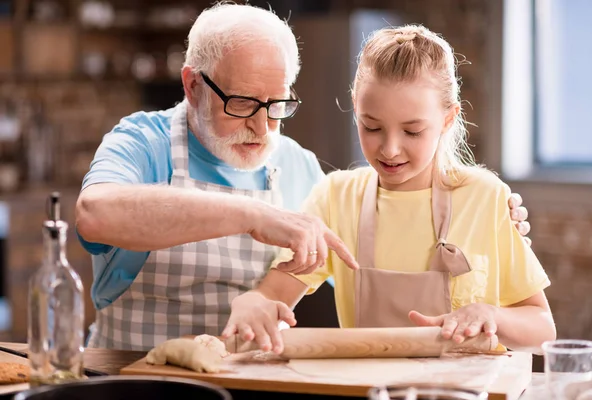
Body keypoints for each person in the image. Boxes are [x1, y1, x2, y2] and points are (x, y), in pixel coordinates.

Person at [75, 3, 533, 351]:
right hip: (130, 371)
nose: (260, 126)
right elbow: (95, 215)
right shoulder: (144, 142)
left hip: (241, 381)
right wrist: (252, 216)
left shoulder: (298, 168)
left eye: (276, 105)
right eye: (241, 104)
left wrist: (490, 217)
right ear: (192, 84)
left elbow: (373, 256)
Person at [223, 24, 555, 356]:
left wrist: (491, 315)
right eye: (372, 127)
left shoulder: (484, 197)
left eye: (412, 131)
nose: (390, 149)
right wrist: (254, 303)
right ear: (355, 106)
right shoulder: (336, 198)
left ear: (448, 118)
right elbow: (273, 295)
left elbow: (542, 331)